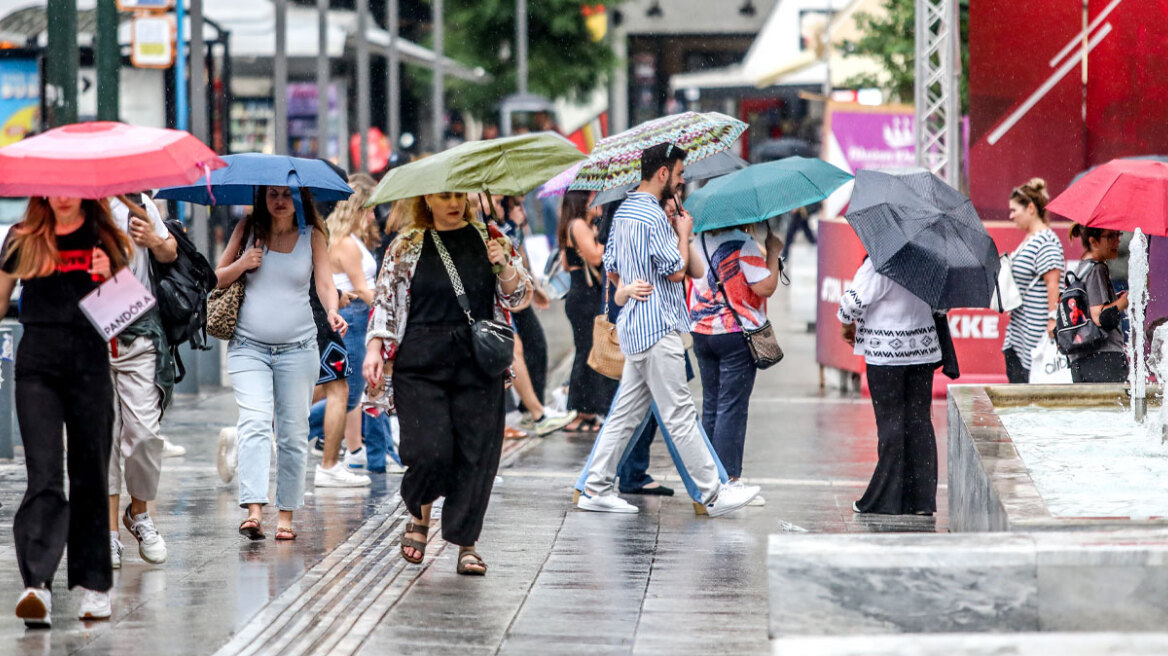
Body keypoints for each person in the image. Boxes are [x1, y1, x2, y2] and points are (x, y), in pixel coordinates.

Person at [577, 142, 759, 516]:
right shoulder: (651, 216)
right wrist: (682, 232)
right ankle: (712, 492)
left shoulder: (625, 211)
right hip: (658, 326)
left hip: (634, 327)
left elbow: (611, 269)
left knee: (625, 414)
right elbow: (677, 270)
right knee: (678, 414)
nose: (679, 183)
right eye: (678, 176)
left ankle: (595, 486)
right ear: (662, 173)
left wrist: (632, 282)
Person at [363, 192, 530, 576]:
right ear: (428, 199)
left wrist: (503, 263)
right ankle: (419, 514)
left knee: (476, 456)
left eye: (458, 195)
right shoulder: (406, 245)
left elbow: (520, 296)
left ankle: (466, 543)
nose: (453, 203)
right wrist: (375, 347)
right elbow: (385, 301)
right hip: (420, 361)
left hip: (477, 362)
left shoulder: (490, 237)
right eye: (444, 196)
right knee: (429, 451)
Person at [1, 196, 133, 625]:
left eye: (70, 188)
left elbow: (123, 317)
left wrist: (108, 275)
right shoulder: (22, 239)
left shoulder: (106, 240)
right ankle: (36, 585)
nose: (62, 196)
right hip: (37, 367)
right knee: (44, 473)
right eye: (53, 188)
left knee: (91, 471)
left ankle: (94, 586)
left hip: (90, 367)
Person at [216, 186, 346, 541]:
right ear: (262, 198)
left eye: (286, 194)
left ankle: (286, 515)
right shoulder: (246, 229)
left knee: (292, 432)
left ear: (300, 199)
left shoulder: (313, 235)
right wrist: (244, 263)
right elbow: (215, 278)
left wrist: (332, 310)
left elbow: (324, 283)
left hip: (298, 348)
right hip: (248, 347)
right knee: (256, 421)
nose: (279, 201)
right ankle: (255, 511)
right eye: (272, 194)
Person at [106, 193, 178, 570]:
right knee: (104, 437)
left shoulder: (140, 203)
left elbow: (169, 252)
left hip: (139, 326)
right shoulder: (81, 206)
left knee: (145, 434)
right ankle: (109, 535)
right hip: (91, 327)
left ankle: (138, 514)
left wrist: (153, 239)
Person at [690, 219, 784, 502]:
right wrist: (773, 253)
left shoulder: (698, 239)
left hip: (701, 331)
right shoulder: (741, 244)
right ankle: (728, 480)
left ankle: (707, 483)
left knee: (712, 406)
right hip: (734, 334)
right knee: (732, 407)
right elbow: (765, 287)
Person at [838, 257, 940, 515]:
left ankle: (887, 499)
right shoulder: (930, 261)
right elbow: (942, 307)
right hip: (923, 351)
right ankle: (921, 501)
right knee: (919, 421)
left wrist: (846, 323)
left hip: (886, 355)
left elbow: (853, 301)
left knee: (891, 423)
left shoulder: (880, 261)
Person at [311, 173, 384, 483]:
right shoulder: (347, 244)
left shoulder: (349, 240)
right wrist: (391, 300)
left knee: (335, 389)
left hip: (354, 316)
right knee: (347, 394)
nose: (372, 216)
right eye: (369, 209)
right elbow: (363, 290)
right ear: (357, 207)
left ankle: (280, 426)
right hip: (351, 317)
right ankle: (280, 428)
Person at [559, 190, 618, 433]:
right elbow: (595, 257)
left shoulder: (573, 225)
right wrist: (609, 240)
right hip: (584, 297)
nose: (598, 201)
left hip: (579, 295)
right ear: (582, 200)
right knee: (587, 352)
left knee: (588, 350)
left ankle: (588, 410)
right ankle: (583, 410)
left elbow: (565, 262)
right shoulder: (578, 224)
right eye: (594, 196)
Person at [1001, 179, 1064, 383]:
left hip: (1036, 335)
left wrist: (1053, 320)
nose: (1011, 216)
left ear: (1030, 208)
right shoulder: (1030, 238)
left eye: (1014, 210)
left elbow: (1053, 283)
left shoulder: (1045, 240)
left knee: (1032, 393)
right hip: (1021, 331)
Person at [1065, 224, 1129, 383]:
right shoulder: (1097, 268)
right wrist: (1127, 300)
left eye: (1118, 235)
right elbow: (1099, 316)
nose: (1117, 241)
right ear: (1093, 242)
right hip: (1103, 358)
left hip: (1082, 359)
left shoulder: (1081, 268)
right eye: (1111, 236)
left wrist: (1116, 299)